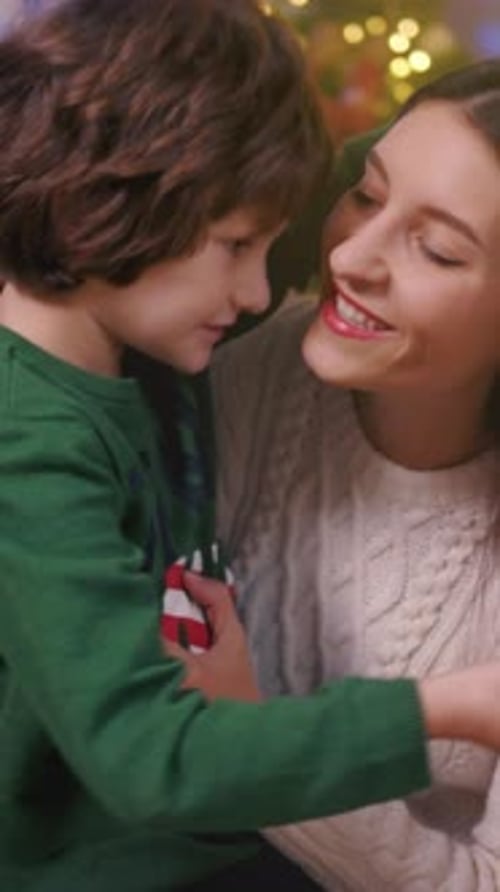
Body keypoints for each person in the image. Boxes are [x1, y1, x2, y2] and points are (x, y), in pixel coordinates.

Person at [2, 3, 500, 889]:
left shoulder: (157, 324)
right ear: (116, 204)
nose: (332, 265)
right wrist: (442, 709)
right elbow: (153, 758)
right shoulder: (45, 433)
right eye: (366, 197)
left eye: (434, 247)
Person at [211, 60, 500, 890]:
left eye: (437, 250)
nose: (351, 258)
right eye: (367, 197)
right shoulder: (253, 365)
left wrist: (254, 739)